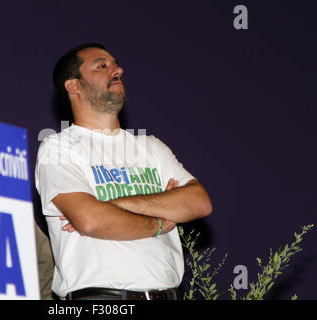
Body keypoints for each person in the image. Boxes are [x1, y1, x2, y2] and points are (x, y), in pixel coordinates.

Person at [35, 43, 212, 300]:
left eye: (115, 64)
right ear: (74, 86)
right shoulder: (58, 147)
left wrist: (113, 204)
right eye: (102, 66)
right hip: (100, 299)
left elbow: (199, 202)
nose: (118, 69)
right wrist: (161, 222)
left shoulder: (151, 146)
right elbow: (90, 220)